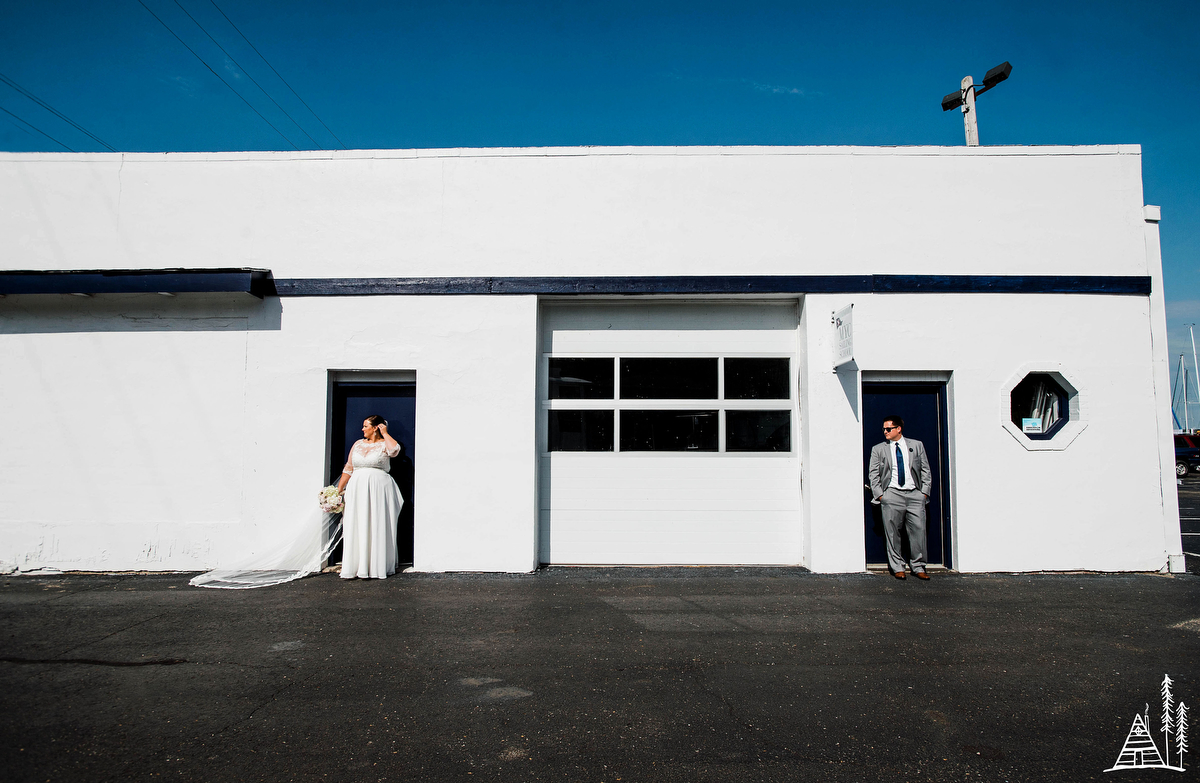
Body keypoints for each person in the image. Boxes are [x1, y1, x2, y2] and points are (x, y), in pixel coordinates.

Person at [336, 415, 405, 579]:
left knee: (377, 522)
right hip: (357, 488)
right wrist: (337, 491)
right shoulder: (357, 444)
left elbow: (394, 451)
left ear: (375, 427)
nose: (362, 429)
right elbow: (348, 468)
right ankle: (357, 565)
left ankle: (376, 565)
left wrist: (385, 433)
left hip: (379, 489)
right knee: (356, 523)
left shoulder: (385, 444)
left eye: (366, 426)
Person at [868, 415, 932, 580]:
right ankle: (898, 567)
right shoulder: (879, 449)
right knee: (892, 533)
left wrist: (924, 493)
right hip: (892, 494)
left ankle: (918, 566)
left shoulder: (916, 446)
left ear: (898, 429)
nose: (885, 432)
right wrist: (881, 495)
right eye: (883, 429)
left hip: (914, 494)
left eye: (888, 429)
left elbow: (925, 470)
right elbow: (873, 474)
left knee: (919, 531)